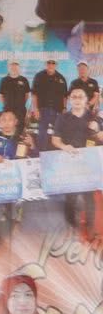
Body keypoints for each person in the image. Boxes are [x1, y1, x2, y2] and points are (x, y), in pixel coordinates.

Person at [51, 86, 101, 236]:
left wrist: (98, 131)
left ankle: (90, 229)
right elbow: (55, 140)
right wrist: (64, 146)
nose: (77, 99)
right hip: (69, 162)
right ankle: (71, 228)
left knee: (89, 197)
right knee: (70, 198)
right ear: (69, 100)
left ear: (86, 100)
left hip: (89, 163)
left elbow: (101, 137)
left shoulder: (94, 117)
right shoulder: (62, 118)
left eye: (81, 96)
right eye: (74, 97)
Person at [34, 55, 68, 124]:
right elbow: (34, 94)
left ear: (56, 65)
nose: (51, 65)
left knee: (57, 130)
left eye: (53, 63)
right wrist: (35, 109)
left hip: (57, 110)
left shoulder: (61, 78)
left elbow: (65, 96)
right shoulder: (39, 76)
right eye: (49, 62)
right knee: (42, 131)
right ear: (45, 64)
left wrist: (64, 108)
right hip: (42, 111)